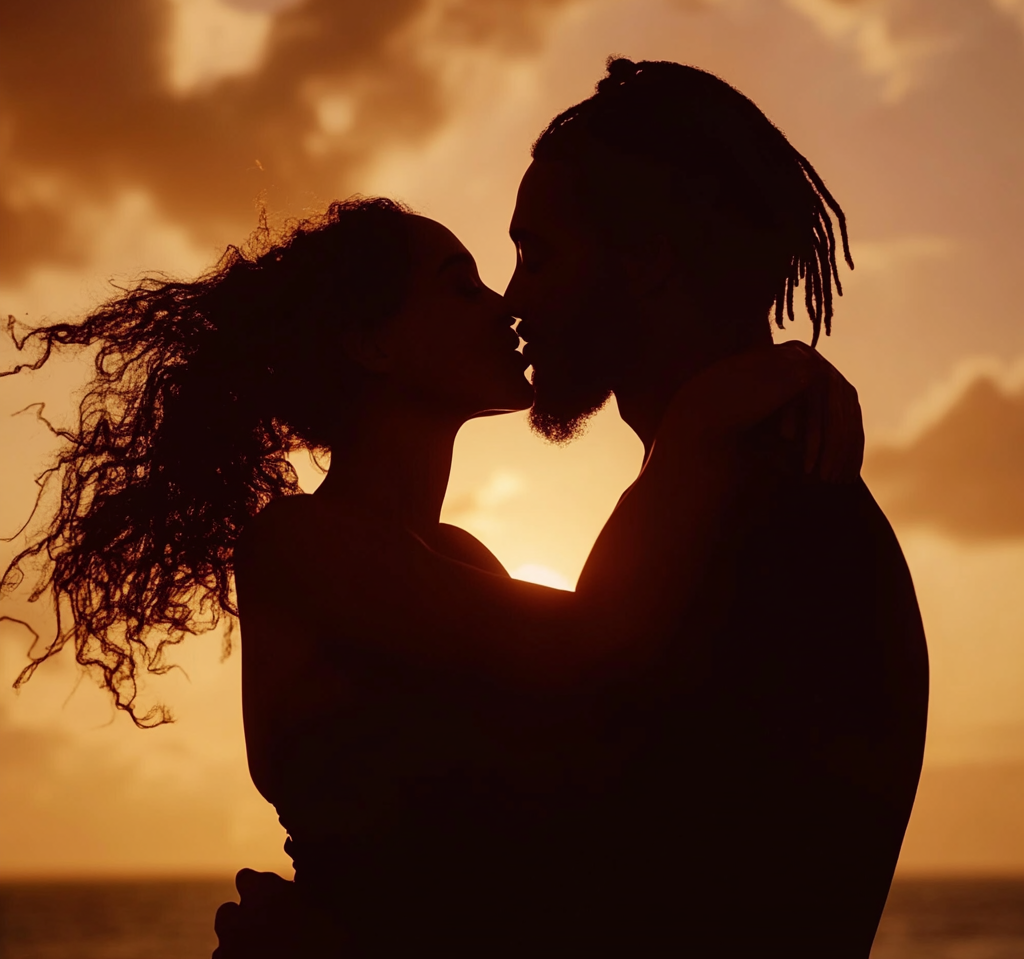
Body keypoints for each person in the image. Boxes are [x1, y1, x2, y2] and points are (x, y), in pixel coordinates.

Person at [2, 197, 861, 955]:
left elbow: (623, 714)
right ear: (371, 342)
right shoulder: (303, 542)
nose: (507, 307)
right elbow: (594, 646)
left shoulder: (462, 561)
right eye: (464, 285)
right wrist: (702, 422)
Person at [499, 57, 929, 957]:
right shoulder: (725, 493)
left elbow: (628, 890)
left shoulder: (764, 520)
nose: (514, 299)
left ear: (650, 259)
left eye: (536, 255)